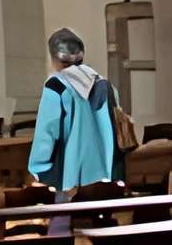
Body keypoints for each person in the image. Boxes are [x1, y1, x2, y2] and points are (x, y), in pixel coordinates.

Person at [29, 27, 123, 196]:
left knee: (63, 221)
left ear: (54, 58)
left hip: (72, 177)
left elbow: (47, 132)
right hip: (107, 175)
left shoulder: (56, 86)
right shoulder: (104, 84)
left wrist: (38, 169)